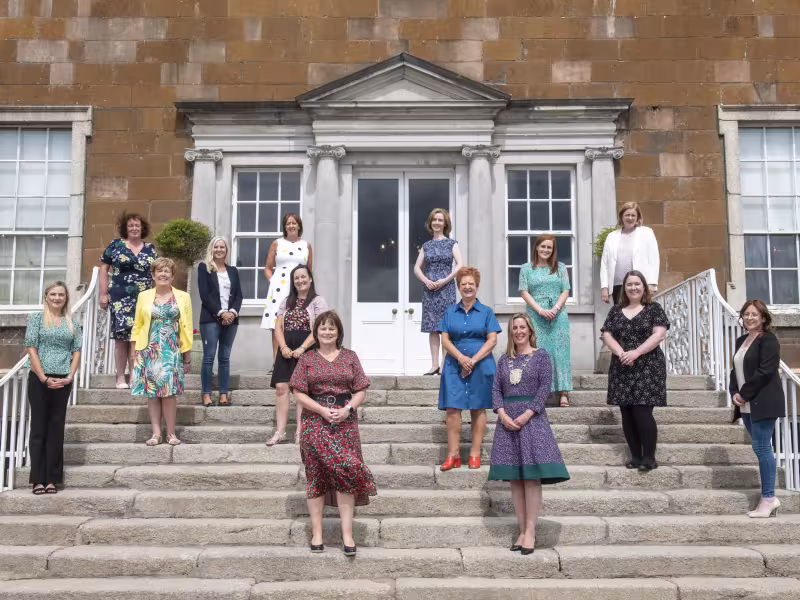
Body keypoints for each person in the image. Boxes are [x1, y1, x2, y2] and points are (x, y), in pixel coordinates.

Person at [289, 310, 377, 556]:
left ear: (338, 332)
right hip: (315, 421)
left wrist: (348, 410)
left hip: (344, 422)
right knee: (316, 475)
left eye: (331, 328)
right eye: (323, 328)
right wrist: (321, 410)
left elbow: (361, 389)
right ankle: (317, 534)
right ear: (316, 332)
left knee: (346, 473)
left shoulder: (350, 356)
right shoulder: (307, 359)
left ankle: (347, 535)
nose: (327, 332)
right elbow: (298, 392)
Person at [489, 313, 570, 554]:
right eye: (514, 328)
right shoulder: (504, 360)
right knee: (515, 478)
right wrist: (502, 415)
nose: (518, 331)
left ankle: (531, 531)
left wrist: (526, 414)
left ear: (530, 330)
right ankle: (521, 529)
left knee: (531, 477)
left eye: (522, 327)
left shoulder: (541, 356)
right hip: (508, 423)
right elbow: (496, 390)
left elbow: (544, 388)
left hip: (532, 421)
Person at [601, 270, 669, 472]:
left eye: (637, 284)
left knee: (642, 410)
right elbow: (607, 335)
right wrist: (622, 353)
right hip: (622, 366)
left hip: (648, 365)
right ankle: (635, 456)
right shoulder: (616, 310)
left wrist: (636, 353)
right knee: (627, 412)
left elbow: (659, 334)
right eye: (629, 284)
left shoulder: (653, 308)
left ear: (644, 287)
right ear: (624, 288)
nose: (633, 288)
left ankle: (649, 457)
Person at [438, 266, 502, 471]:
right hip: (453, 365)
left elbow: (492, 340)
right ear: (459, 287)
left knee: (478, 407)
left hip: (481, 364)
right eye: (463, 284)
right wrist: (461, 358)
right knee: (452, 408)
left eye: (471, 284)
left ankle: (475, 454)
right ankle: (453, 455)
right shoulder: (450, 312)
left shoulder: (486, 312)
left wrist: (472, 361)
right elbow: (445, 340)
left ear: (477, 286)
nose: (467, 287)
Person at [24, 282, 82, 495]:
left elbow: (76, 351)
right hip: (39, 378)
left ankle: (52, 479)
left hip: (63, 380)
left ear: (66, 298)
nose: (57, 298)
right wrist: (43, 377)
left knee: (56, 428)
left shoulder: (73, 322)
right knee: (39, 428)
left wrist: (69, 376)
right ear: (46, 297)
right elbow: (31, 348)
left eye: (61, 295)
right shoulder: (36, 319)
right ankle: (38, 479)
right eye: (53, 294)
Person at [730, 299, 785, 518]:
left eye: (754, 314)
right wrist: (734, 392)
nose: (750, 317)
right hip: (746, 404)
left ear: (763, 317)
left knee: (762, 448)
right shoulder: (741, 340)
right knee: (760, 448)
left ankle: (768, 498)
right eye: (746, 314)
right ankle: (770, 497)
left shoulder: (768, 339)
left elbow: (765, 371)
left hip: (763, 401)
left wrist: (744, 393)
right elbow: (735, 370)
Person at [131, 258, 193, 447]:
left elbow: (187, 327)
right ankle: (156, 433)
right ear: (153, 275)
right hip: (148, 349)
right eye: (159, 271)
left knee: (169, 393)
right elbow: (137, 325)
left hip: (171, 350)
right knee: (152, 392)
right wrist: (134, 353)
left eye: (167, 271)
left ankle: (171, 433)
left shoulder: (183, 297)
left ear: (172, 276)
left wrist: (187, 356)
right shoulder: (144, 296)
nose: (163, 274)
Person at [267, 265, 329, 446]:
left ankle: (300, 432)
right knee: (281, 388)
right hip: (286, 350)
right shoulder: (286, 302)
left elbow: (320, 328)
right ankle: (280, 432)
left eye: (303, 277)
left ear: (310, 279)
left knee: (301, 391)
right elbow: (278, 327)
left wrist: (303, 348)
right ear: (293, 282)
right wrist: (283, 347)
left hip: (307, 350)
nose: (300, 280)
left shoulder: (318, 301)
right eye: (296, 278)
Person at [99, 212, 158, 389]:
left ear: (142, 228)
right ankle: (120, 377)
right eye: (130, 225)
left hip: (144, 298)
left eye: (137, 225)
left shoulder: (150, 249)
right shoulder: (115, 245)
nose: (134, 228)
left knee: (139, 337)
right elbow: (103, 269)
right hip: (120, 298)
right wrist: (103, 293)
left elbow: (157, 273)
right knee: (121, 338)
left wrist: (159, 296)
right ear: (125, 228)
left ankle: (134, 375)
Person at [519, 234, 572, 407]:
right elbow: (524, 292)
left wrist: (555, 309)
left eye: (549, 247)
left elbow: (565, 290)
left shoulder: (561, 268)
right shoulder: (526, 268)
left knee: (560, 352)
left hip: (558, 314)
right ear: (536, 247)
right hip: (536, 314)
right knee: (538, 351)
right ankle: (538, 391)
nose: (546, 250)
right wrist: (540, 310)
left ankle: (563, 391)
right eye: (543, 246)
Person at [414, 208, 463, 375]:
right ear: (430, 222)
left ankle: (444, 365)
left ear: (445, 223)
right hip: (430, 291)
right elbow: (416, 268)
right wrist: (426, 281)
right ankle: (434, 365)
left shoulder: (452, 243)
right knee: (432, 328)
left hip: (446, 289)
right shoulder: (426, 246)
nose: (437, 222)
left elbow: (460, 265)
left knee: (445, 328)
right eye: (434, 219)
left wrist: (445, 280)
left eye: (440, 220)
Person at [261, 213, 312, 374]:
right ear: (284, 227)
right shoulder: (277, 243)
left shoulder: (306, 245)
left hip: (299, 288)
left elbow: (309, 271)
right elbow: (268, 268)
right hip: (279, 288)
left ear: (299, 225)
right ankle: (276, 363)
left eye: (294, 223)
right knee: (277, 324)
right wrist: (273, 281)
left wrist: (308, 288)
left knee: (299, 322)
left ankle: (298, 362)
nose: (291, 226)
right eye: (288, 223)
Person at [197, 237, 243, 408]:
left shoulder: (233, 271)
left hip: (231, 319)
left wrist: (231, 313)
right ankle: (206, 394)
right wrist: (221, 313)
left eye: (222, 247)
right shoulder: (204, 268)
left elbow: (238, 296)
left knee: (224, 358)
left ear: (226, 250)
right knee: (209, 357)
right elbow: (205, 295)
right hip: (210, 318)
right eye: (216, 247)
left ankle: (224, 394)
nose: (219, 250)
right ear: (211, 249)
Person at [600, 202, 660, 305]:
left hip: (639, 285)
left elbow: (654, 259)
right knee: (620, 314)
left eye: (633, 215)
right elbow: (604, 264)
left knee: (640, 313)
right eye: (627, 215)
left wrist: (651, 284)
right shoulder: (611, 236)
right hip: (618, 286)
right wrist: (604, 287)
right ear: (621, 217)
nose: (630, 218)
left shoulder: (647, 233)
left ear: (638, 217)